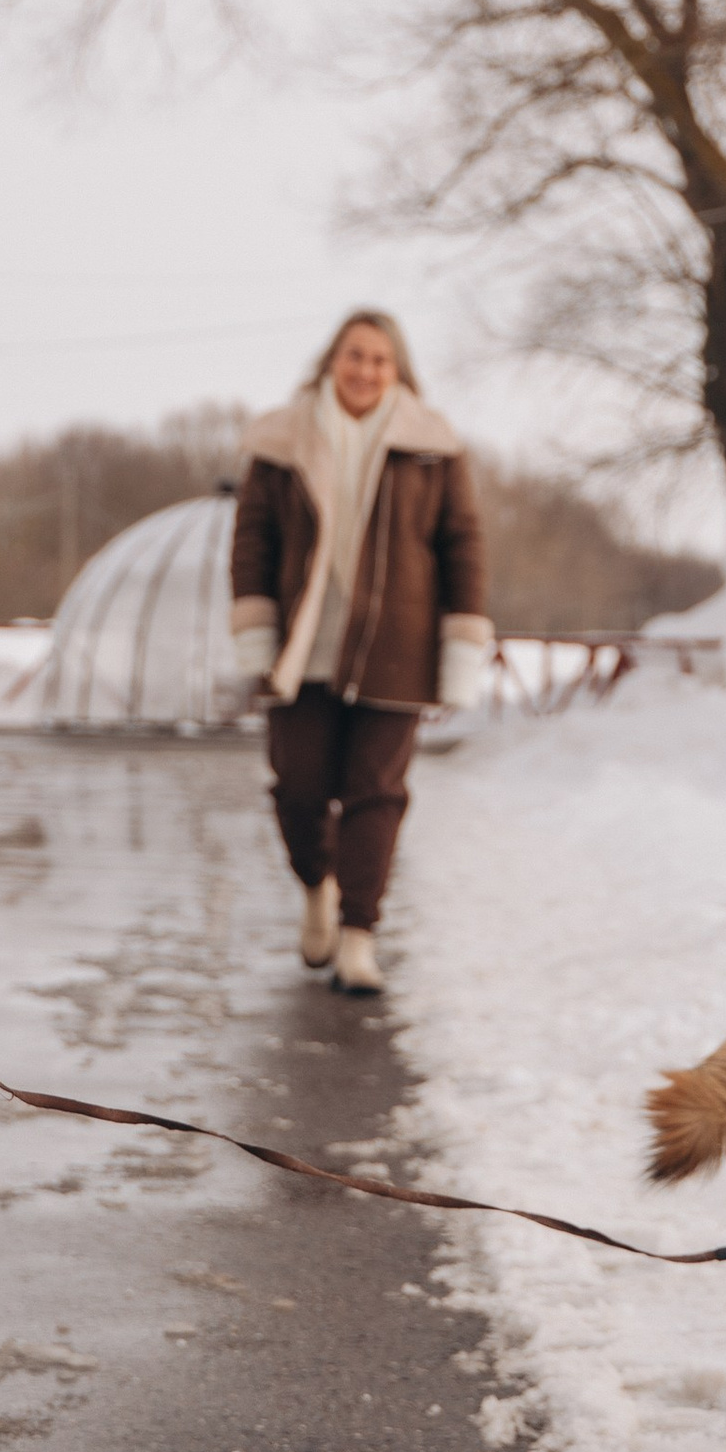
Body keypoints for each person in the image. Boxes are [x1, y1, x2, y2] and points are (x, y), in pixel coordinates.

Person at [228, 310, 491, 994]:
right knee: (299, 789)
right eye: (355, 356)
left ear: (397, 369)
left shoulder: (432, 446)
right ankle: (318, 886)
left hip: (397, 648)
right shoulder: (280, 440)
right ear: (331, 361)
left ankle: (358, 939)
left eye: (381, 359)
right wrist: (255, 627)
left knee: (377, 795)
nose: (367, 370)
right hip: (302, 649)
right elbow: (252, 540)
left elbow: (462, 543)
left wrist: (461, 636)